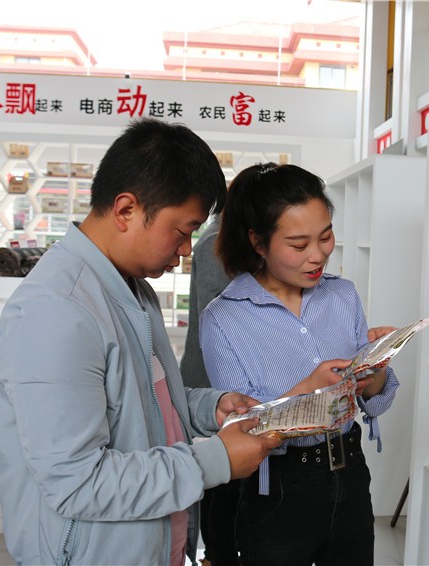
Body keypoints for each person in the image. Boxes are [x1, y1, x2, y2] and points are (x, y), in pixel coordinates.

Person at [0, 118, 280, 566]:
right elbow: (78, 482)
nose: (187, 250)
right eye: (182, 231)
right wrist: (215, 460)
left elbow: (139, 404)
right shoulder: (57, 312)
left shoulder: (132, 289)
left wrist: (209, 408)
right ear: (126, 210)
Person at [199, 163, 400, 566]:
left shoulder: (343, 295)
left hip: (350, 471)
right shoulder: (224, 318)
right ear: (258, 242)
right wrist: (308, 389)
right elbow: (242, 427)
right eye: (298, 244)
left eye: (325, 236)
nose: (318, 254)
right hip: (279, 488)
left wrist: (375, 369)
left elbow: (375, 399)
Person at [180, 212, 237, 566]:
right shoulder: (215, 244)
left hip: (217, 387)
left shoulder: (222, 240)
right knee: (222, 485)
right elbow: (217, 319)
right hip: (211, 386)